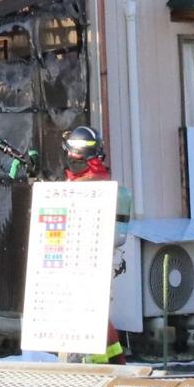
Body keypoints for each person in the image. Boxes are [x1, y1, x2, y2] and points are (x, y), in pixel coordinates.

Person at [62, 126, 127, 366]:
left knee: (88, 315)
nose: (68, 160)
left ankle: (99, 369)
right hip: (94, 259)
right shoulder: (94, 176)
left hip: (86, 260)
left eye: (70, 155)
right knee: (98, 316)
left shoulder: (90, 181)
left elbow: (67, 201)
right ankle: (116, 364)